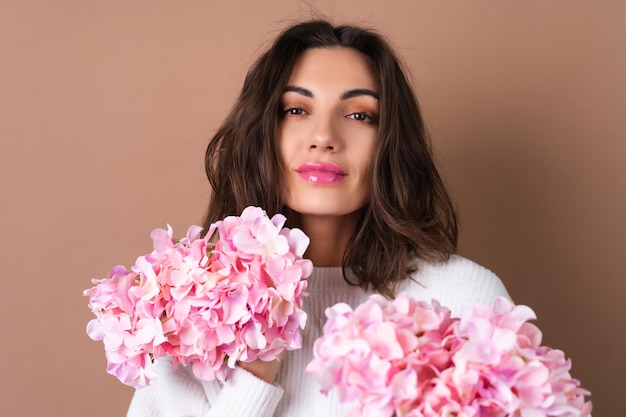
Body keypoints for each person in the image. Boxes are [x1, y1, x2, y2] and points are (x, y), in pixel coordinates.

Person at [126, 19, 510, 417]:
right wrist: (252, 381)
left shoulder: (462, 298)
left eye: (360, 115)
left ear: (390, 143)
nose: (323, 136)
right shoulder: (194, 311)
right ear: (261, 134)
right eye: (296, 110)